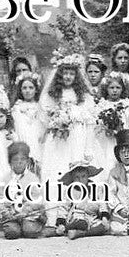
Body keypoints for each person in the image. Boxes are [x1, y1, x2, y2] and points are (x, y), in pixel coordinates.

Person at [39, 55, 97, 185]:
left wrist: (75, 114)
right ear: (59, 75)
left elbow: (89, 117)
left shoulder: (82, 94)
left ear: (76, 76)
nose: (68, 77)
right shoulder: (53, 93)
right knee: (59, 162)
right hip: (59, 136)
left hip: (77, 134)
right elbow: (45, 114)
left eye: (72, 74)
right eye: (65, 73)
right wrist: (57, 120)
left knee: (75, 160)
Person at [0, 142, 47, 239]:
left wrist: (26, 210)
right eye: (15, 160)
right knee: (12, 232)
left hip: (28, 214)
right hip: (11, 215)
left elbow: (38, 199)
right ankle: (15, 227)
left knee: (30, 231)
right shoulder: (5, 179)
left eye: (23, 159)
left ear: (27, 161)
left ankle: (30, 227)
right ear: (10, 162)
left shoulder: (33, 178)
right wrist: (7, 212)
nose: (19, 162)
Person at [54, 159, 110, 240]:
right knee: (81, 223)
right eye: (77, 177)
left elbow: (102, 204)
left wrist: (104, 217)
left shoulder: (95, 188)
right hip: (77, 217)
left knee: (104, 227)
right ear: (73, 178)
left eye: (83, 176)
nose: (80, 180)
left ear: (88, 176)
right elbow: (63, 207)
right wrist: (61, 223)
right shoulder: (70, 190)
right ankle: (68, 229)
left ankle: (80, 233)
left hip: (92, 218)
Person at [10, 72, 46, 168]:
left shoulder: (41, 107)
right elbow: (16, 127)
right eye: (24, 88)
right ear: (20, 90)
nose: (27, 91)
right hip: (23, 141)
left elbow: (44, 127)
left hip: (38, 143)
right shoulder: (16, 108)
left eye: (31, 88)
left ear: (36, 90)